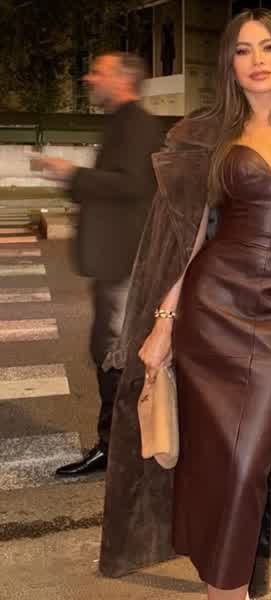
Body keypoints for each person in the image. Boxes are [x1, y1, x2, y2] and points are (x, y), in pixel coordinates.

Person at [98, 9, 271, 600]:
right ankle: (227, 588)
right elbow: (190, 240)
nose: (257, 61)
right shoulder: (212, 136)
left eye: (268, 48)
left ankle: (225, 580)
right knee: (218, 463)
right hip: (212, 307)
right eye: (243, 50)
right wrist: (164, 322)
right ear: (230, 64)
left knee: (248, 465)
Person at [36, 52, 164, 476]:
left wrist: (71, 174)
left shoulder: (138, 124)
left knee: (115, 358)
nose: (89, 78)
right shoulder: (122, 122)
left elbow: (132, 186)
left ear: (123, 79)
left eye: (98, 72)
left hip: (124, 265)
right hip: (114, 264)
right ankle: (119, 445)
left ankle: (118, 449)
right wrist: (71, 180)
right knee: (107, 354)